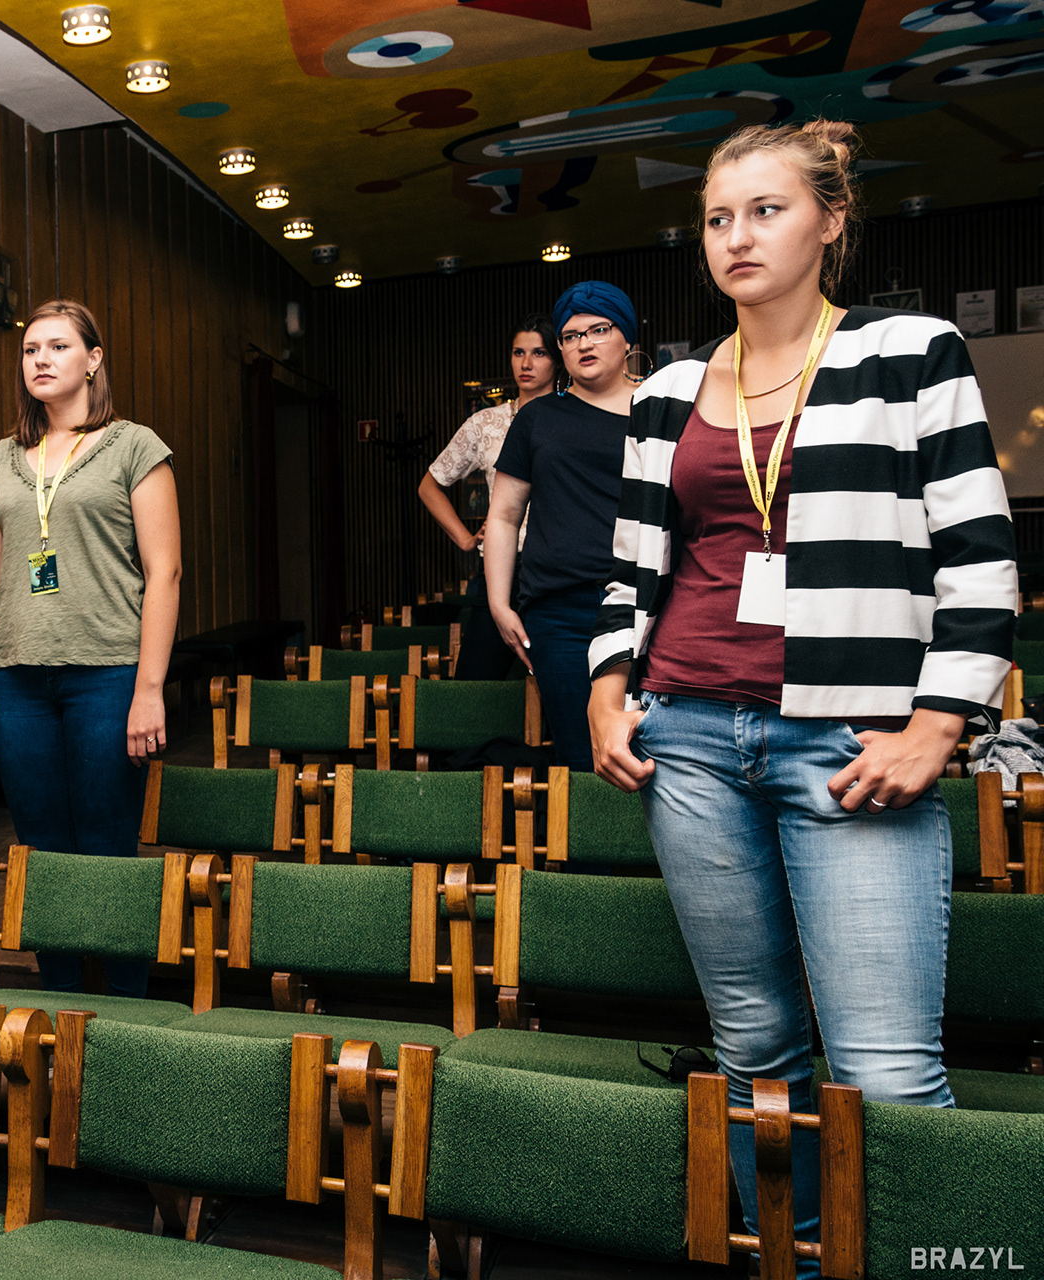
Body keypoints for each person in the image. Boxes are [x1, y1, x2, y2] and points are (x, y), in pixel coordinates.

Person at [587, 120, 1015, 1273]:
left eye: (767, 210)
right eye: (717, 218)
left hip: (849, 737)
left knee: (883, 1065)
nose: (737, 235)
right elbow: (630, 572)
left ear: (831, 219)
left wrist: (938, 722)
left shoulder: (908, 352)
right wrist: (608, 688)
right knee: (753, 1046)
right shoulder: (669, 390)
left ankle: (918, 1258)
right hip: (687, 732)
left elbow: (981, 559)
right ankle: (801, 1255)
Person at [0, 298, 181, 998]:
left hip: (108, 675)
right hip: (15, 681)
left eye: (58, 346)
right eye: (31, 349)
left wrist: (149, 689)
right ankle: (57, 1004)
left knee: (107, 849)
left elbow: (165, 573)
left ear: (93, 359)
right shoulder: (1, 461)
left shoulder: (135, 446)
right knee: (42, 854)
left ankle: (125, 1011)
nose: (41, 359)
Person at [484, 281, 643, 768]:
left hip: (645, 604)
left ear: (627, 338)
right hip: (559, 612)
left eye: (599, 330)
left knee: (651, 749)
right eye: (571, 336)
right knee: (582, 754)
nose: (584, 344)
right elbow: (504, 516)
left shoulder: (658, 410)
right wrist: (499, 604)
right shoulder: (537, 418)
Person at [417, 316, 558, 680]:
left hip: (559, 572)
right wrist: (465, 539)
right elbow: (429, 486)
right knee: (473, 687)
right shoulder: (485, 423)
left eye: (539, 353)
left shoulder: (572, 417)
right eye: (518, 352)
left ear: (556, 359)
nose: (526, 363)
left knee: (558, 691)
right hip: (501, 571)